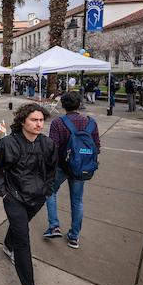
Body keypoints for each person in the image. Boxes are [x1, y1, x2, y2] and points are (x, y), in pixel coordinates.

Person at [0, 103, 57, 285]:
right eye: (33, 120)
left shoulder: (47, 144)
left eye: (41, 120)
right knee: (23, 240)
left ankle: (7, 246)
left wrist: (46, 190)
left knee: (19, 228)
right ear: (23, 121)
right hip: (14, 198)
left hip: (37, 198)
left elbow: (52, 170)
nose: (38, 124)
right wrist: (4, 192)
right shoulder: (7, 143)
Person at [44, 92, 100, 250]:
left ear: (63, 105)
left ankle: (54, 226)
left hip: (62, 166)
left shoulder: (58, 122)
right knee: (77, 201)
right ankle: (74, 236)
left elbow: (53, 147)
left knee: (50, 191)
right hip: (81, 167)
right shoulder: (91, 123)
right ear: (79, 104)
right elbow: (96, 146)